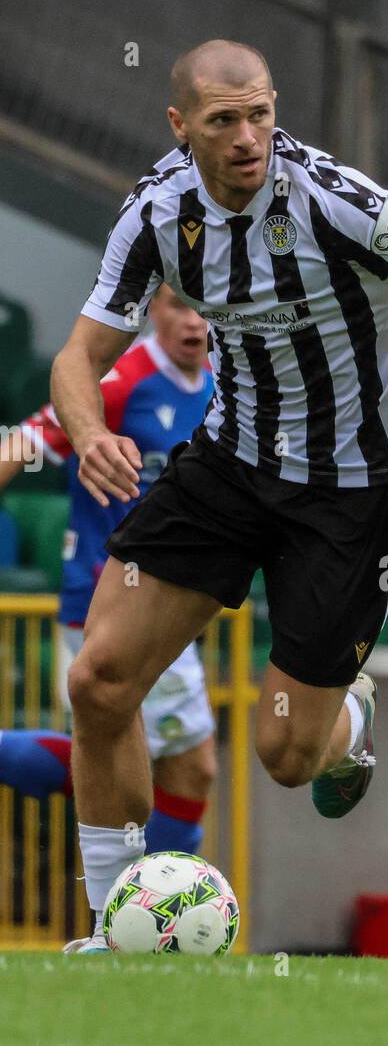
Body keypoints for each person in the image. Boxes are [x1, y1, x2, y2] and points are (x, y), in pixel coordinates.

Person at [50, 38, 388, 951]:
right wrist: (90, 434)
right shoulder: (157, 214)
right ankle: (112, 924)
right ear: (182, 127)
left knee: (286, 757)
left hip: (352, 487)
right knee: (98, 682)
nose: (249, 138)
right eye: (224, 121)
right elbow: (78, 357)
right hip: (231, 460)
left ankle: (351, 716)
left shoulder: (334, 201)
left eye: (261, 114)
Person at [0, 286, 217, 951]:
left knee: (168, 765)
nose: (194, 321)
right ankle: (145, 924)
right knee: (180, 765)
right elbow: (22, 445)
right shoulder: (122, 381)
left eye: (205, 307)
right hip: (109, 596)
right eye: (180, 305)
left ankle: (141, 923)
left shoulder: (219, 383)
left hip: (171, 601)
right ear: (153, 307)